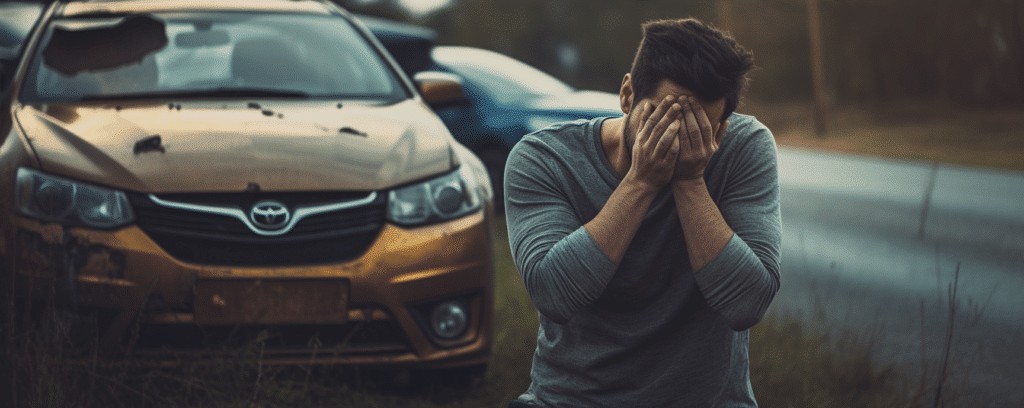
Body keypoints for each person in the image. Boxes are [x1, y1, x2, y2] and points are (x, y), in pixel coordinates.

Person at [504, 18, 781, 407]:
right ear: (627, 94)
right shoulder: (544, 159)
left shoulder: (744, 148)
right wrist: (641, 182)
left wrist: (690, 182)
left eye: (699, 128)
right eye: (662, 117)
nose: (677, 138)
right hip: (573, 399)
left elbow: (746, 304)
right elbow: (554, 294)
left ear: (720, 131)